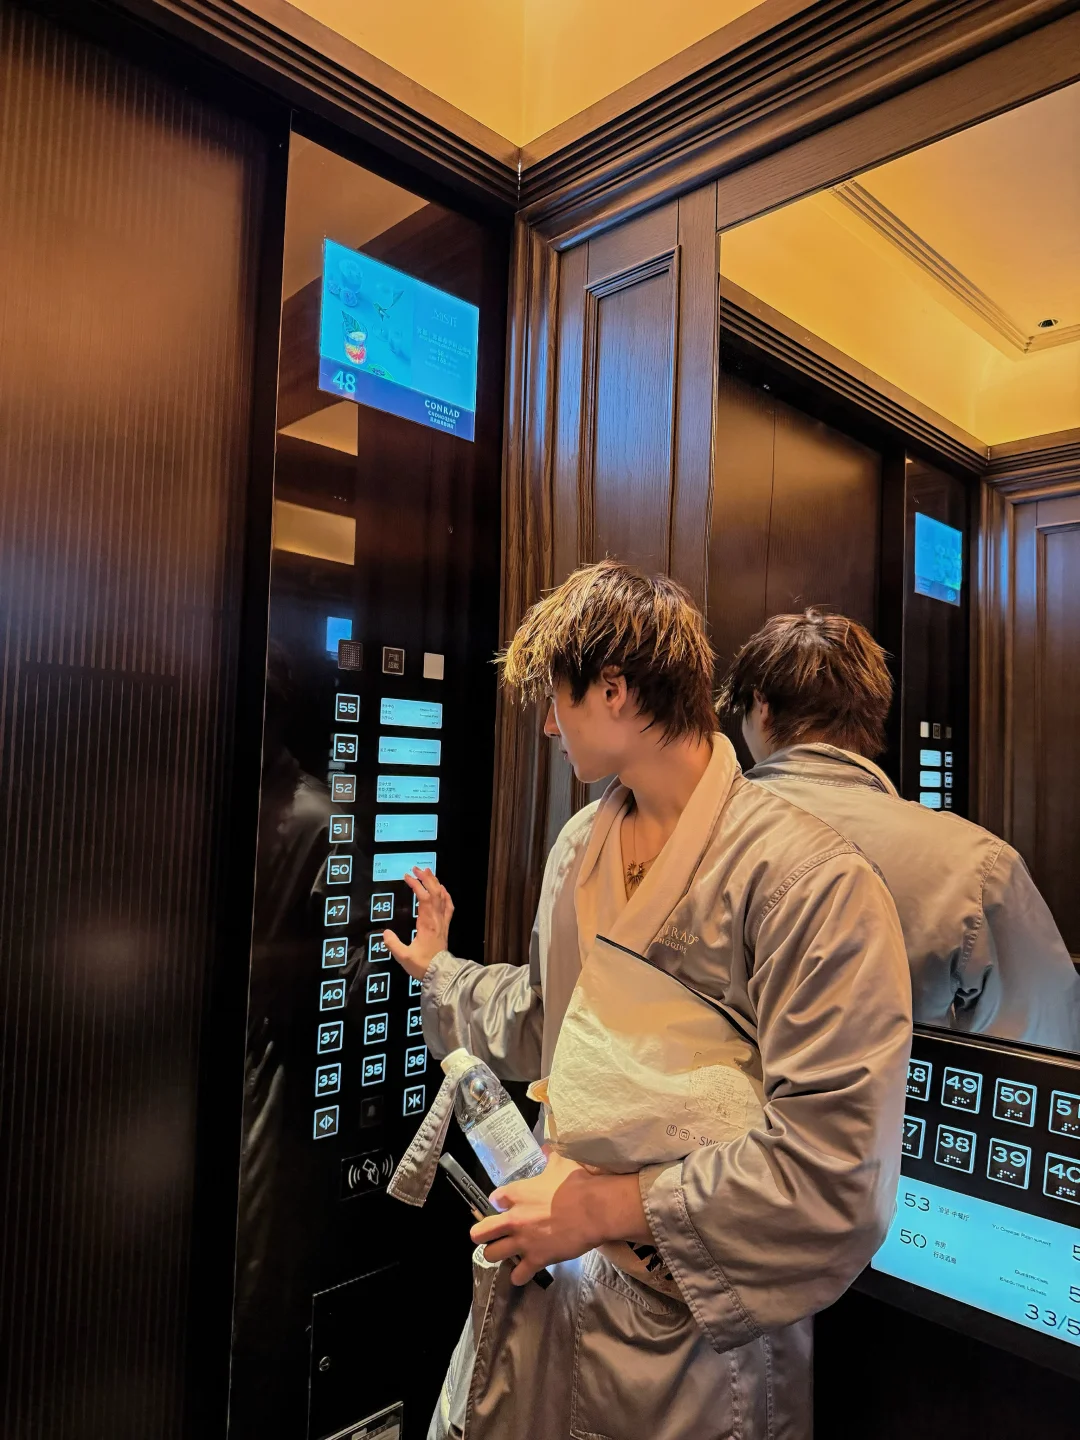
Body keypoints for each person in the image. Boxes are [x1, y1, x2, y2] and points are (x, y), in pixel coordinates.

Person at [384, 561, 912, 1440]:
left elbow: (834, 1169)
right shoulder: (579, 845)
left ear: (614, 690)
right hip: (551, 1277)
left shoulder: (811, 881)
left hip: (694, 1336)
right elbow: (551, 1019)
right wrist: (441, 972)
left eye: (556, 700)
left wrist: (597, 1208)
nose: (548, 725)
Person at [720, 607, 1080, 1051]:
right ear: (875, 710)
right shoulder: (979, 865)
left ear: (761, 707)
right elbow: (1048, 1046)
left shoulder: (686, 833)